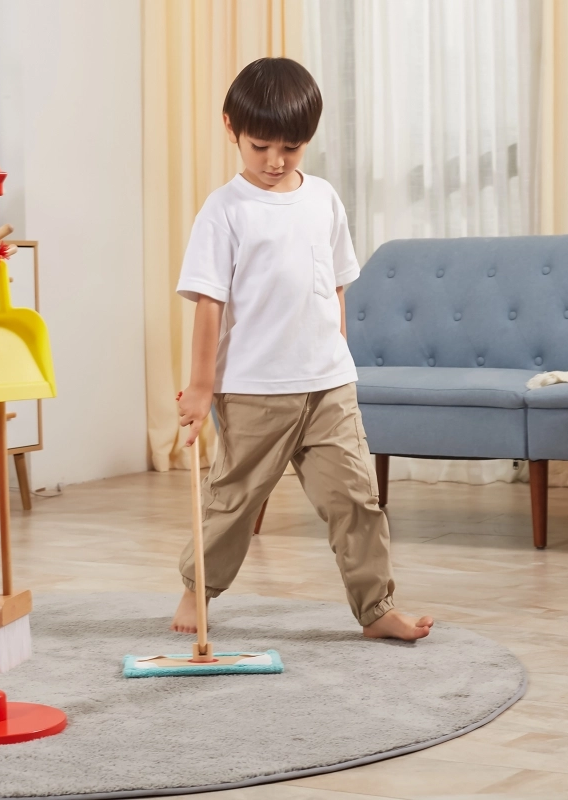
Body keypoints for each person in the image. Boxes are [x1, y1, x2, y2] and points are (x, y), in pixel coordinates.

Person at [170, 57, 434, 641]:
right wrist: (201, 388)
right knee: (234, 502)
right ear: (231, 128)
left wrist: (337, 351)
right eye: (260, 146)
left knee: (356, 499)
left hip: (328, 386)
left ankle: (376, 608)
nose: (275, 160)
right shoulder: (224, 211)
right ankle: (197, 589)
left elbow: (335, 284)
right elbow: (209, 304)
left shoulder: (324, 199)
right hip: (254, 390)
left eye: (291, 147)